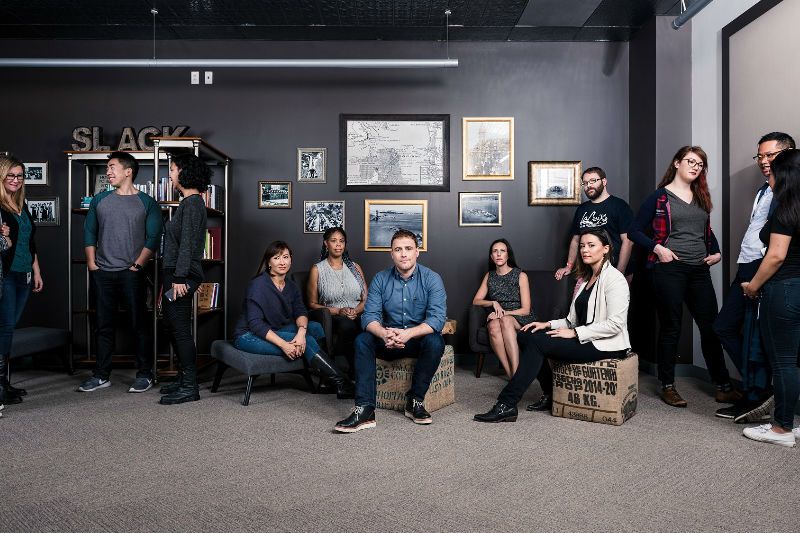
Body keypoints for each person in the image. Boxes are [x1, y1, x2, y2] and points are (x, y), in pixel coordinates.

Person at [474, 228, 630, 423]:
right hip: (584, 336)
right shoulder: (585, 280)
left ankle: (507, 403)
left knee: (538, 343)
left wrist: (573, 333)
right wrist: (545, 324)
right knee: (526, 334)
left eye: (591, 245)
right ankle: (549, 394)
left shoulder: (615, 279)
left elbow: (616, 325)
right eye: (582, 246)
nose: (585, 250)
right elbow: (570, 319)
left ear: (605, 249)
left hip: (605, 344)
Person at [629, 145, 739, 408]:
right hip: (670, 269)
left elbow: (703, 231)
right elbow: (633, 231)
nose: (694, 167)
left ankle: (723, 386)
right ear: (677, 163)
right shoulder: (659, 197)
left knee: (711, 327)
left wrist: (717, 252)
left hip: (699, 269)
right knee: (671, 327)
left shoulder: (701, 196)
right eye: (690, 161)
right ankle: (668, 386)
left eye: (700, 164)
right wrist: (658, 249)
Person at [713, 132, 796, 423]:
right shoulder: (764, 190)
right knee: (725, 327)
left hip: (764, 269)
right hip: (746, 265)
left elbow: (778, 246)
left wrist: (761, 275)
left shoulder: (788, 192)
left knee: (755, 337)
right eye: (759, 156)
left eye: (769, 155)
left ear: (786, 154)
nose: (763, 161)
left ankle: (757, 393)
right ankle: (758, 390)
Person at [334, 229, 447, 433]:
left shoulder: (432, 279)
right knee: (362, 340)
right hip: (387, 340)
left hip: (415, 340)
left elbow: (437, 319)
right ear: (391, 253)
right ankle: (365, 409)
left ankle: (415, 401)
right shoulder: (380, 279)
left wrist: (408, 334)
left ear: (417, 252)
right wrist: (384, 333)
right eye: (398, 249)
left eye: (408, 249)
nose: (403, 254)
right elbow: (369, 318)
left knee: (435, 341)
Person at [78, 152, 163, 393]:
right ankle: (101, 375)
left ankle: (145, 374)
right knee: (103, 325)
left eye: (112, 167)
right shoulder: (99, 200)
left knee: (139, 324)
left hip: (132, 273)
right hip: (102, 272)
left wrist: (137, 265)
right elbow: (89, 233)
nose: (108, 171)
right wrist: (92, 264)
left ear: (128, 171)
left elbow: (154, 237)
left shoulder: (147, 202)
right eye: (107, 167)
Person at [233, 241, 353, 398]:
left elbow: (300, 311)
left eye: (285, 257)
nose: (282, 262)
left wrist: (301, 334)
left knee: (315, 327)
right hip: (248, 335)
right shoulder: (258, 285)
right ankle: (341, 383)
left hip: (275, 328)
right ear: (268, 262)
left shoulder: (290, 285)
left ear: (291, 259)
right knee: (309, 341)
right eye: (276, 258)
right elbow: (256, 325)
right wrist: (284, 345)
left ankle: (325, 380)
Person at [741, 149, 800, 447]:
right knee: (795, 362)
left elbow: (776, 255)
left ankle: (782, 429)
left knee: (784, 363)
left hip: (784, 289)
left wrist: (753, 285)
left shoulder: (785, 209)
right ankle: (791, 421)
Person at [158, 154, 210, 405]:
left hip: (182, 275)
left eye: (173, 169)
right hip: (175, 273)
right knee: (171, 324)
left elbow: (188, 244)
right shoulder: (189, 203)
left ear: (184, 172)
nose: (170, 173)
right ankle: (183, 378)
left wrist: (179, 277)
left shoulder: (192, 204)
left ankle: (190, 387)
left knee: (179, 328)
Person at [307, 227, 367, 378]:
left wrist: (356, 311)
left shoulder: (355, 267)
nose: (338, 245)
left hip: (358, 313)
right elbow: (312, 304)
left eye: (342, 241)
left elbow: (366, 298)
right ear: (326, 244)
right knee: (347, 325)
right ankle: (355, 373)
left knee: (370, 325)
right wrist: (339, 311)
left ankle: (368, 371)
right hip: (334, 316)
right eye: (334, 241)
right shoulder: (317, 269)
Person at [554, 167, 634, 281]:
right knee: (581, 299)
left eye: (593, 181)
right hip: (588, 272)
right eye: (585, 183)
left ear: (604, 182)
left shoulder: (620, 206)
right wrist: (569, 266)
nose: (588, 185)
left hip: (614, 270)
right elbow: (576, 240)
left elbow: (628, 241)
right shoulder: (582, 209)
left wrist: (619, 273)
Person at [471, 238, 533, 378]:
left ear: (508, 255)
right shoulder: (489, 276)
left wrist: (503, 314)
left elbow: (526, 309)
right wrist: (493, 303)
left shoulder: (521, 275)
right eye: (495, 251)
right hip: (499, 315)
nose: (498, 254)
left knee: (505, 321)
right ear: (491, 257)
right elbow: (476, 301)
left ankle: (517, 372)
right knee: (493, 327)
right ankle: (510, 373)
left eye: (502, 251)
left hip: (519, 316)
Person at [0, 156, 34, 407]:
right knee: (5, 327)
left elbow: (31, 244)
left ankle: (4, 383)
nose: (16, 180)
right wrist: (6, 240)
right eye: (10, 175)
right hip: (6, 273)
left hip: (24, 273)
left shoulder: (22, 205)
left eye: (20, 175)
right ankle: (0, 385)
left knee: (9, 328)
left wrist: (37, 271)